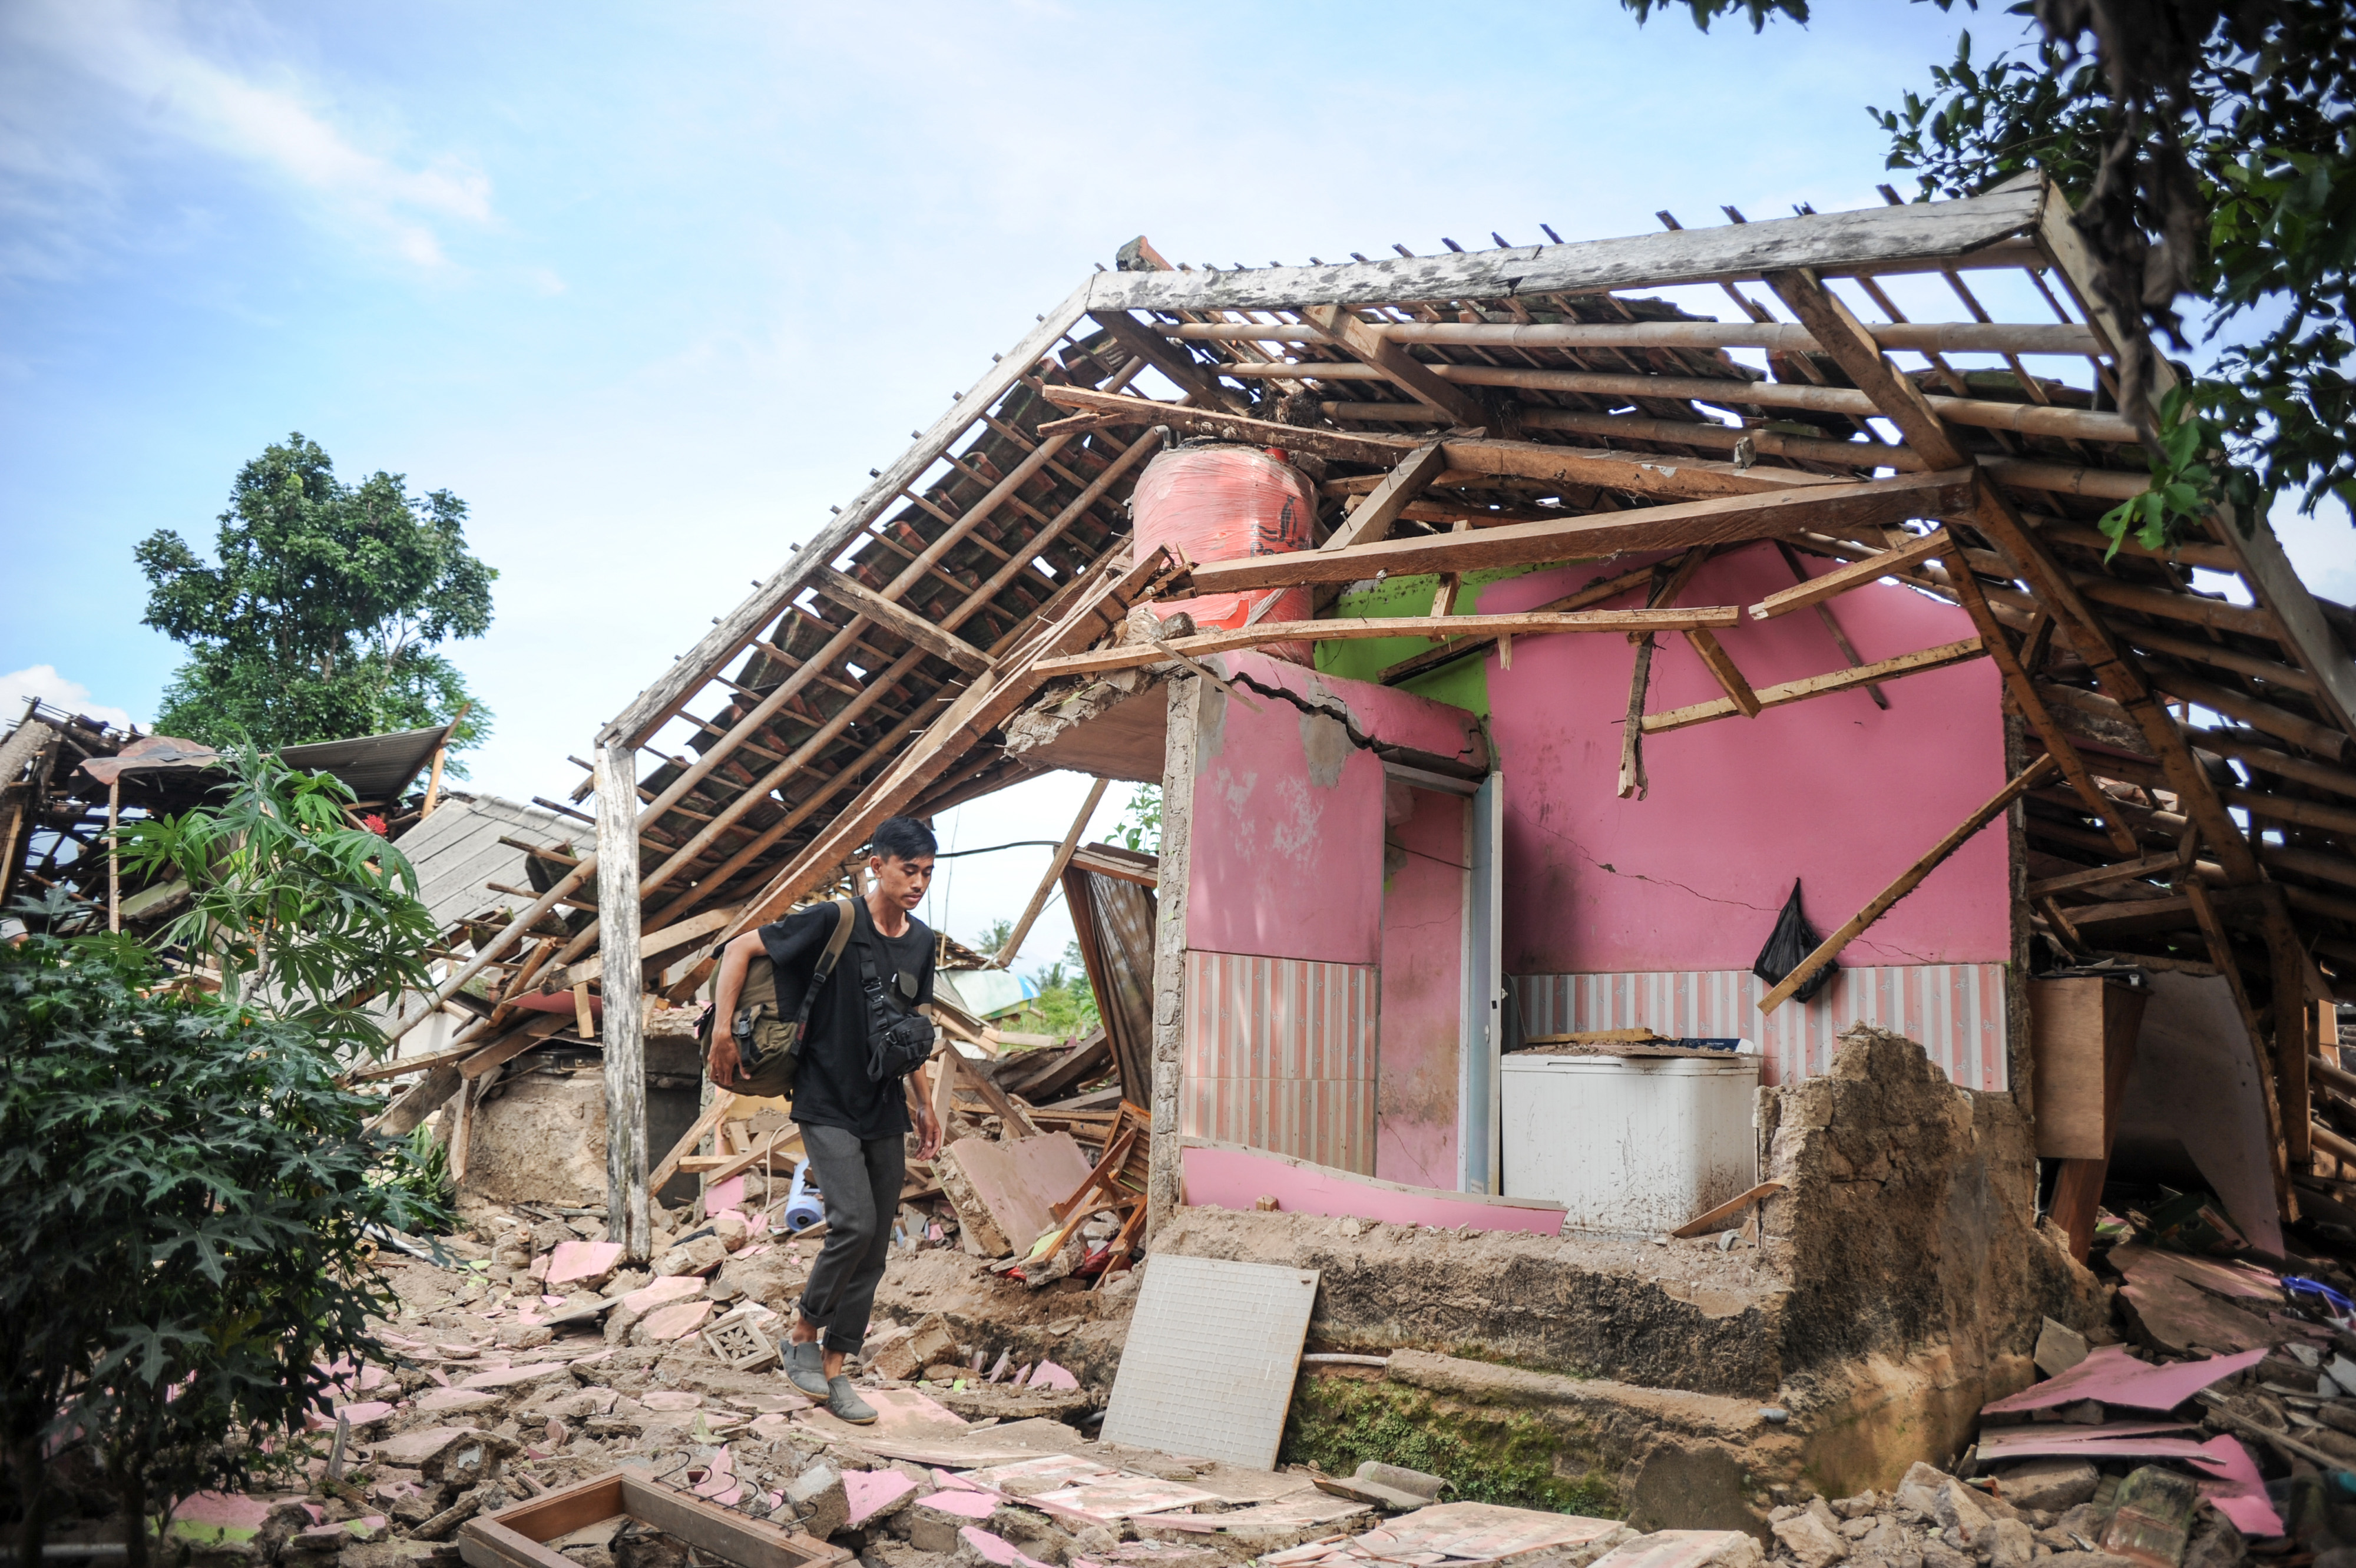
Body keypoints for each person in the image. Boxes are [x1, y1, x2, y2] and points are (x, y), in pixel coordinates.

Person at [707, 816, 944, 1423]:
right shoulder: (836, 919)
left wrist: (924, 1103)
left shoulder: (922, 941)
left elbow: (910, 1030)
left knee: (874, 1250)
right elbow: (740, 948)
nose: (917, 883)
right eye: (907, 869)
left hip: (882, 1104)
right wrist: (720, 1036)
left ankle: (836, 1372)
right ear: (877, 864)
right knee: (854, 1222)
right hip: (823, 1096)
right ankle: (803, 1331)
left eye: (927, 873)